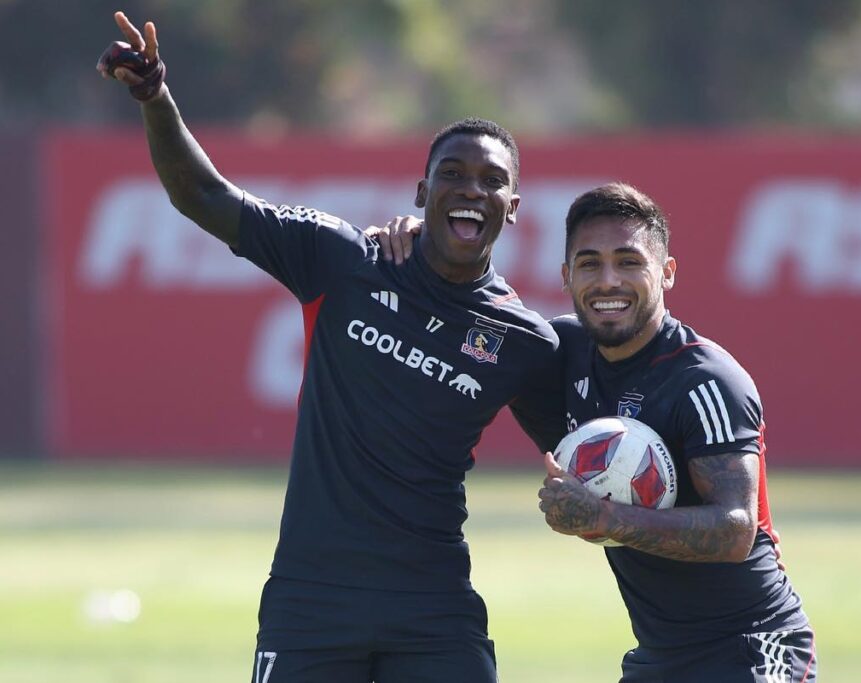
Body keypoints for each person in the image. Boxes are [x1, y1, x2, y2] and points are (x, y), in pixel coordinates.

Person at [96, 11, 565, 683]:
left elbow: (585, 453)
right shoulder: (343, 260)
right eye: (454, 175)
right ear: (422, 192)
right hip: (309, 602)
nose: (471, 190)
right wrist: (154, 96)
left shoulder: (525, 342)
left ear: (513, 204)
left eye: (491, 180)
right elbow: (200, 194)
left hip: (435, 612)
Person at [540, 182, 816, 682]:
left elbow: (734, 531)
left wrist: (600, 516)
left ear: (666, 272)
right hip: (660, 655)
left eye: (629, 262)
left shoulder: (705, 380)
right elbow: (474, 328)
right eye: (589, 263)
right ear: (566, 276)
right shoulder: (564, 351)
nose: (608, 281)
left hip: (750, 645)